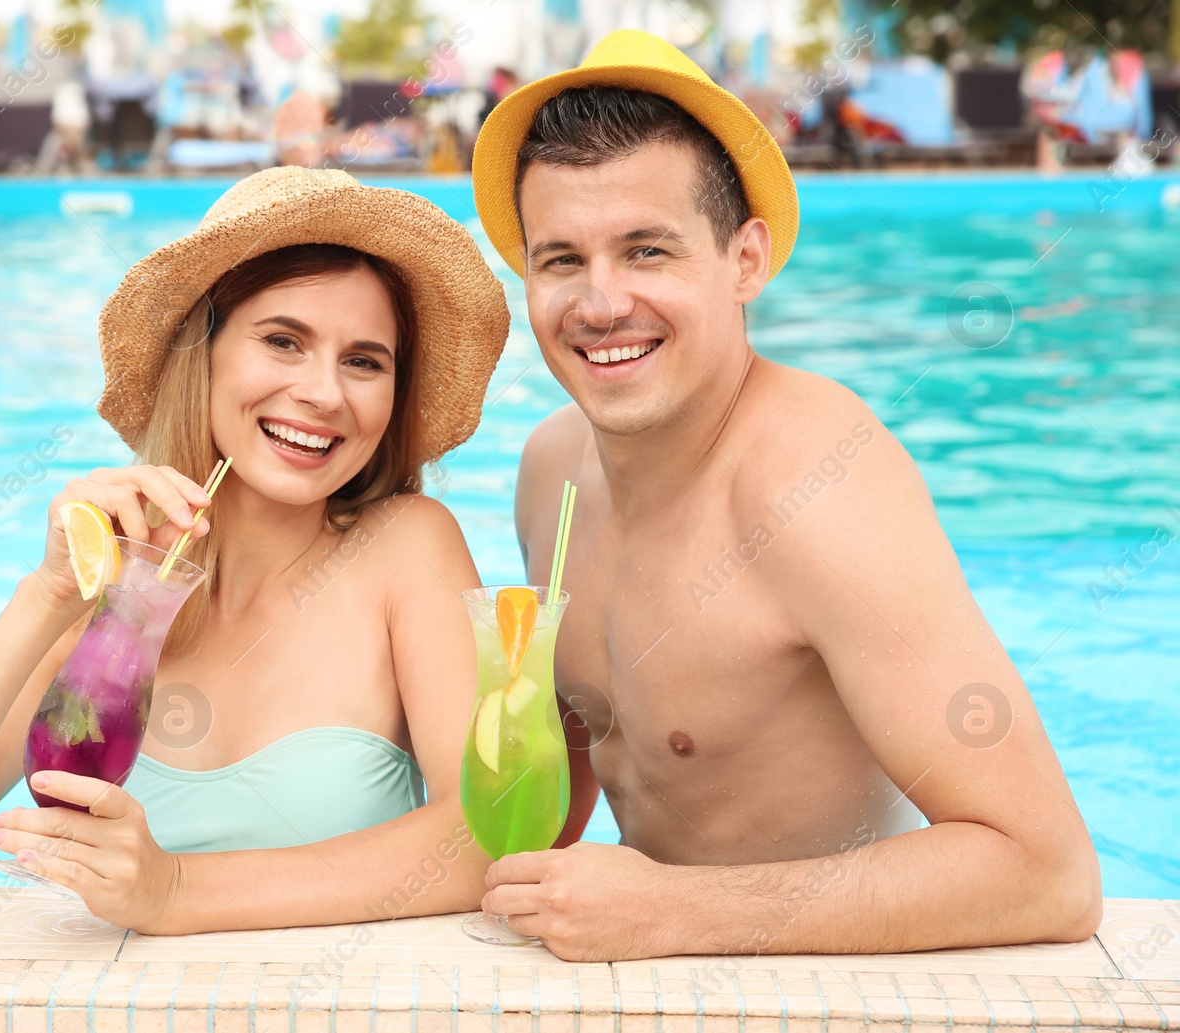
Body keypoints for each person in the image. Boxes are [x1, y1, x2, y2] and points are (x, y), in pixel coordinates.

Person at [469, 31, 1103, 961]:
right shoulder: (550, 469)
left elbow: (1047, 870)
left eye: (647, 250)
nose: (600, 304)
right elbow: (557, 794)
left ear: (746, 260)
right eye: (561, 260)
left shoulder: (821, 485)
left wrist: (675, 913)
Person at [0, 167, 512, 934]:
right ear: (204, 352)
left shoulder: (406, 546)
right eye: (284, 341)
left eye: (364, 360)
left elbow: (485, 838)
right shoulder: (122, 570)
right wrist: (47, 595)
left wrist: (176, 890)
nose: (325, 392)